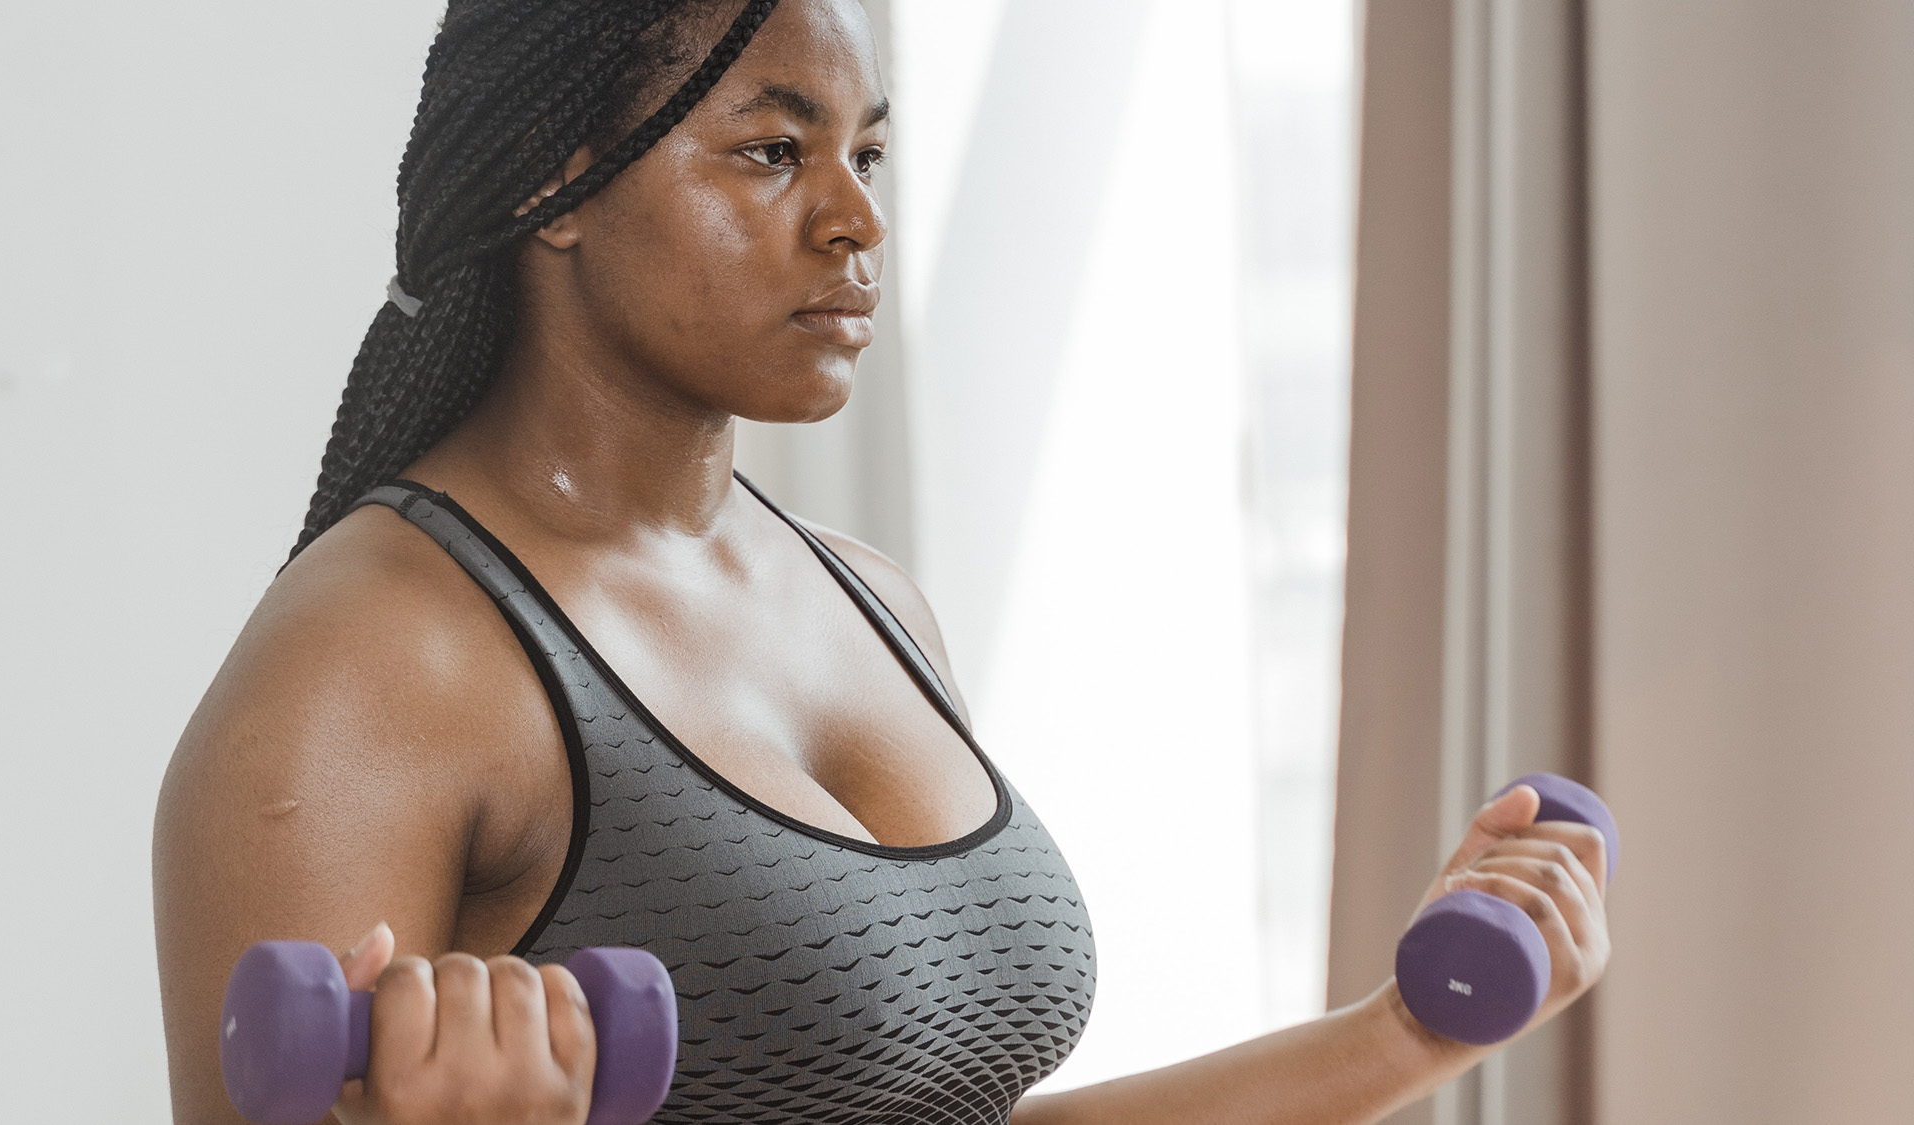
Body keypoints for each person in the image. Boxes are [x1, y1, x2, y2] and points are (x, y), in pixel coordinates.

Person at [152, 1, 1611, 1122]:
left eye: (870, 153)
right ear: (557, 181)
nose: (857, 221)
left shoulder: (863, 595)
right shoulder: (374, 664)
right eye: (774, 151)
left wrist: (1398, 1037)